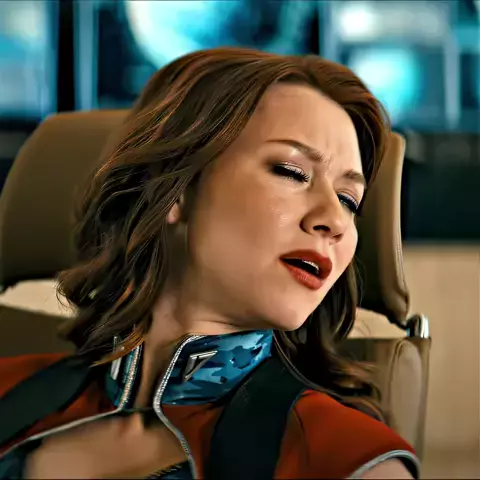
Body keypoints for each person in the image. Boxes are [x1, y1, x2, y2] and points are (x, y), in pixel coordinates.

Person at [0, 47, 419, 479]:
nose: (335, 220)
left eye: (349, 200)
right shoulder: (7, 388)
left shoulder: (355, 463)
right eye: (291, 171)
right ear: (173, 189)